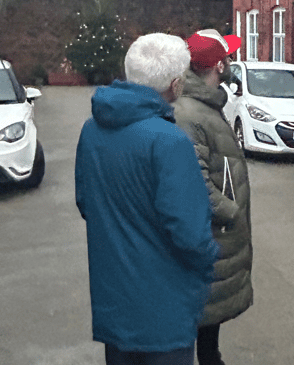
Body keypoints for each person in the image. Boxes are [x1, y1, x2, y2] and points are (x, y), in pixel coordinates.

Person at [75, 33, 219, 365]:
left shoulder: (91, 130)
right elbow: (191, 234)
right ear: (175, 84)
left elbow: (87, 203)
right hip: (164, 309)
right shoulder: (169, 141)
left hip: (114, 298)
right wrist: (212, 256)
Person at [173, 29, 253, 365]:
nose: (233, 62)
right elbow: (194, 182)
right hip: (211, 234)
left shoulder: (203, 103)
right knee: (200, 311)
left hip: (215, 236)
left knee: (208, 318)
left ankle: (210, 355)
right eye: (229, 57)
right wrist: (231, 212)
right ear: (219, 65)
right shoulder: (189, 113)